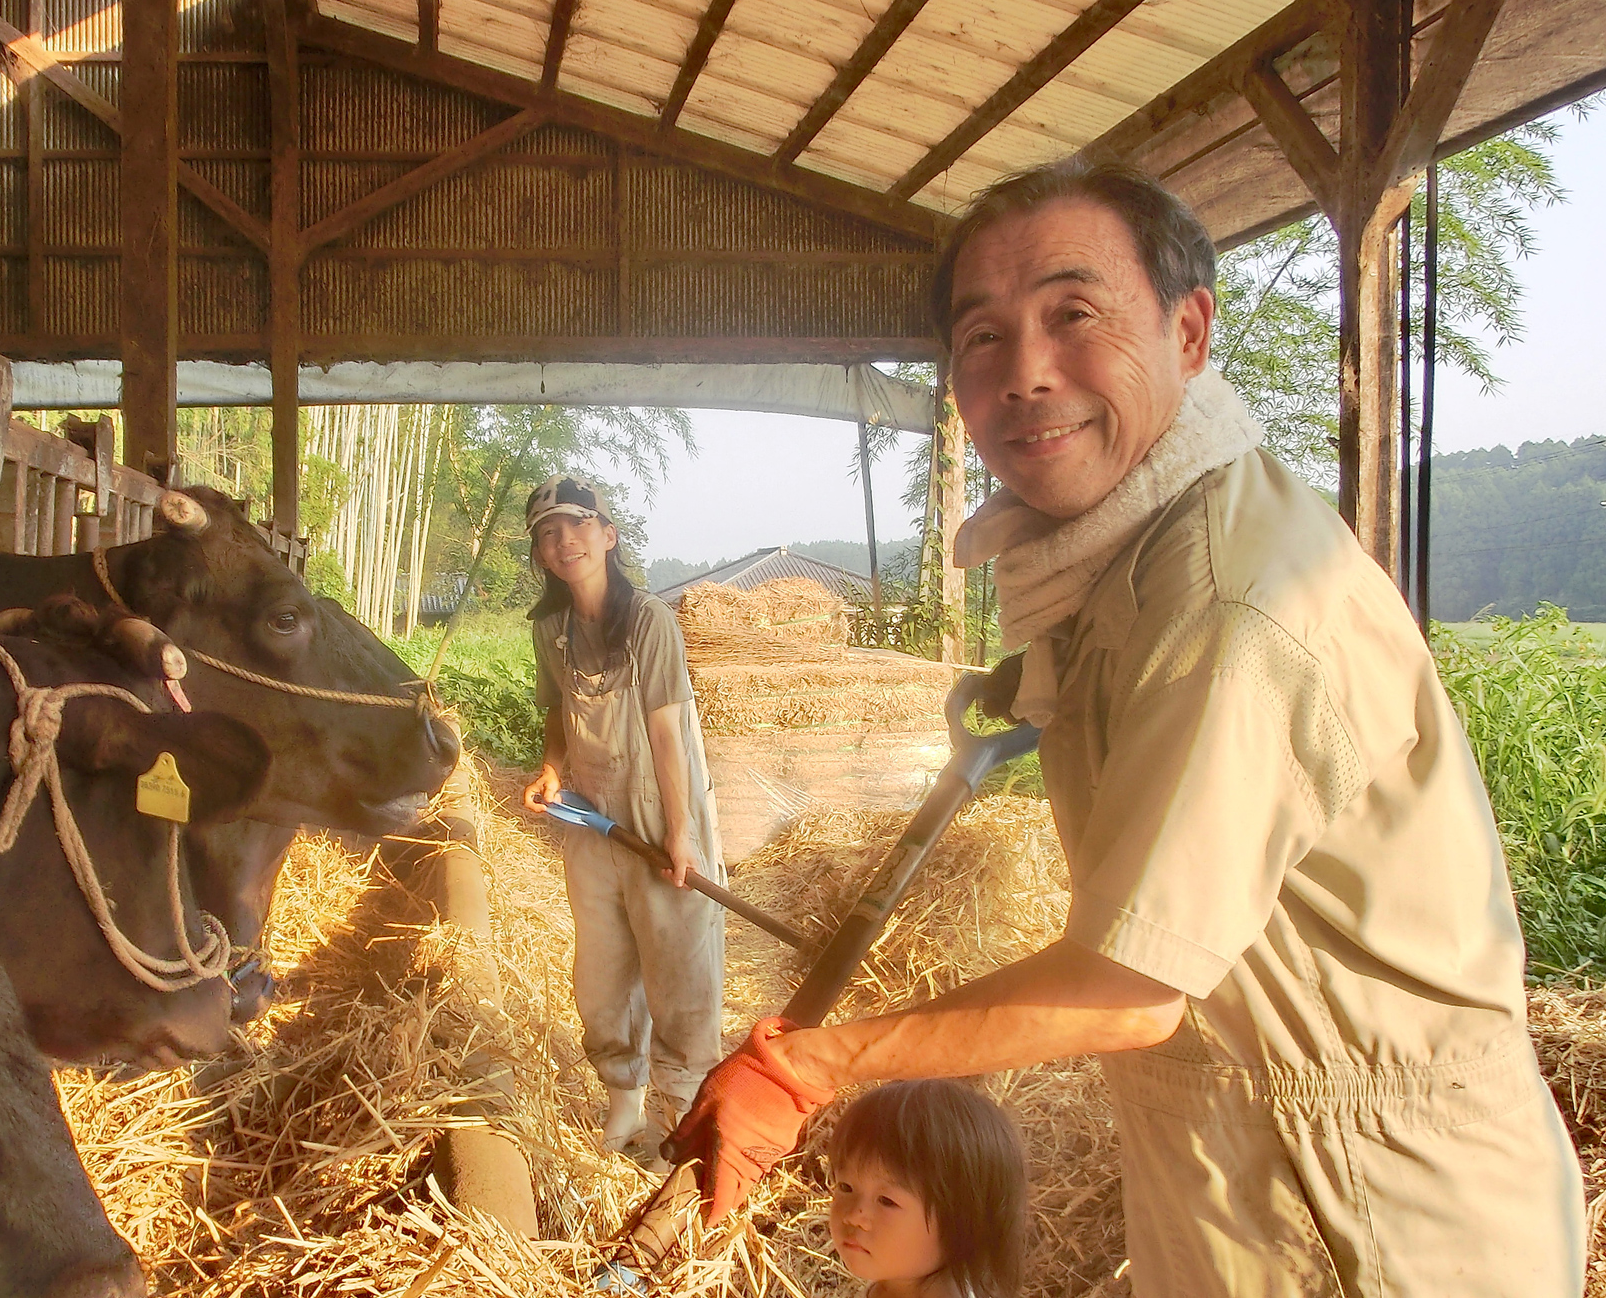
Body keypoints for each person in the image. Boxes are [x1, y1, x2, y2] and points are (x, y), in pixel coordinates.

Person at [663, 161, 1585, 1296]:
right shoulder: (1129, 561)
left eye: (1073, 315)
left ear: (1189, 332)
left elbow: (1128, 988)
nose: (1024, 374)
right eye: (980, 339)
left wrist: (806, 1067)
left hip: (1370, 1204)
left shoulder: (1230, 599)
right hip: (1248, 1159)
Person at [520, 475, 726, 1155]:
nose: (564, 540)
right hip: (592, 817)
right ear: (541, 553)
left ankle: (684, 1116)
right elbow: (556, 713)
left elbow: (667, 733)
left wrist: (681, 833)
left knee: (678, 971)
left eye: (578, 525)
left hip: (659, 808)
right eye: (549, 532)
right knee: (602, 970)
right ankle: (624, 1104)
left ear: (608, 535)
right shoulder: (550, 629)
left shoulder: (649, 622)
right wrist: (553, 768)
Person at [827, 1080, 1027, 1298]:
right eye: (846, 1187)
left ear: (962, 1223)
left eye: (886, 1200)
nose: (854, 1217)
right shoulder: (892, 1285)